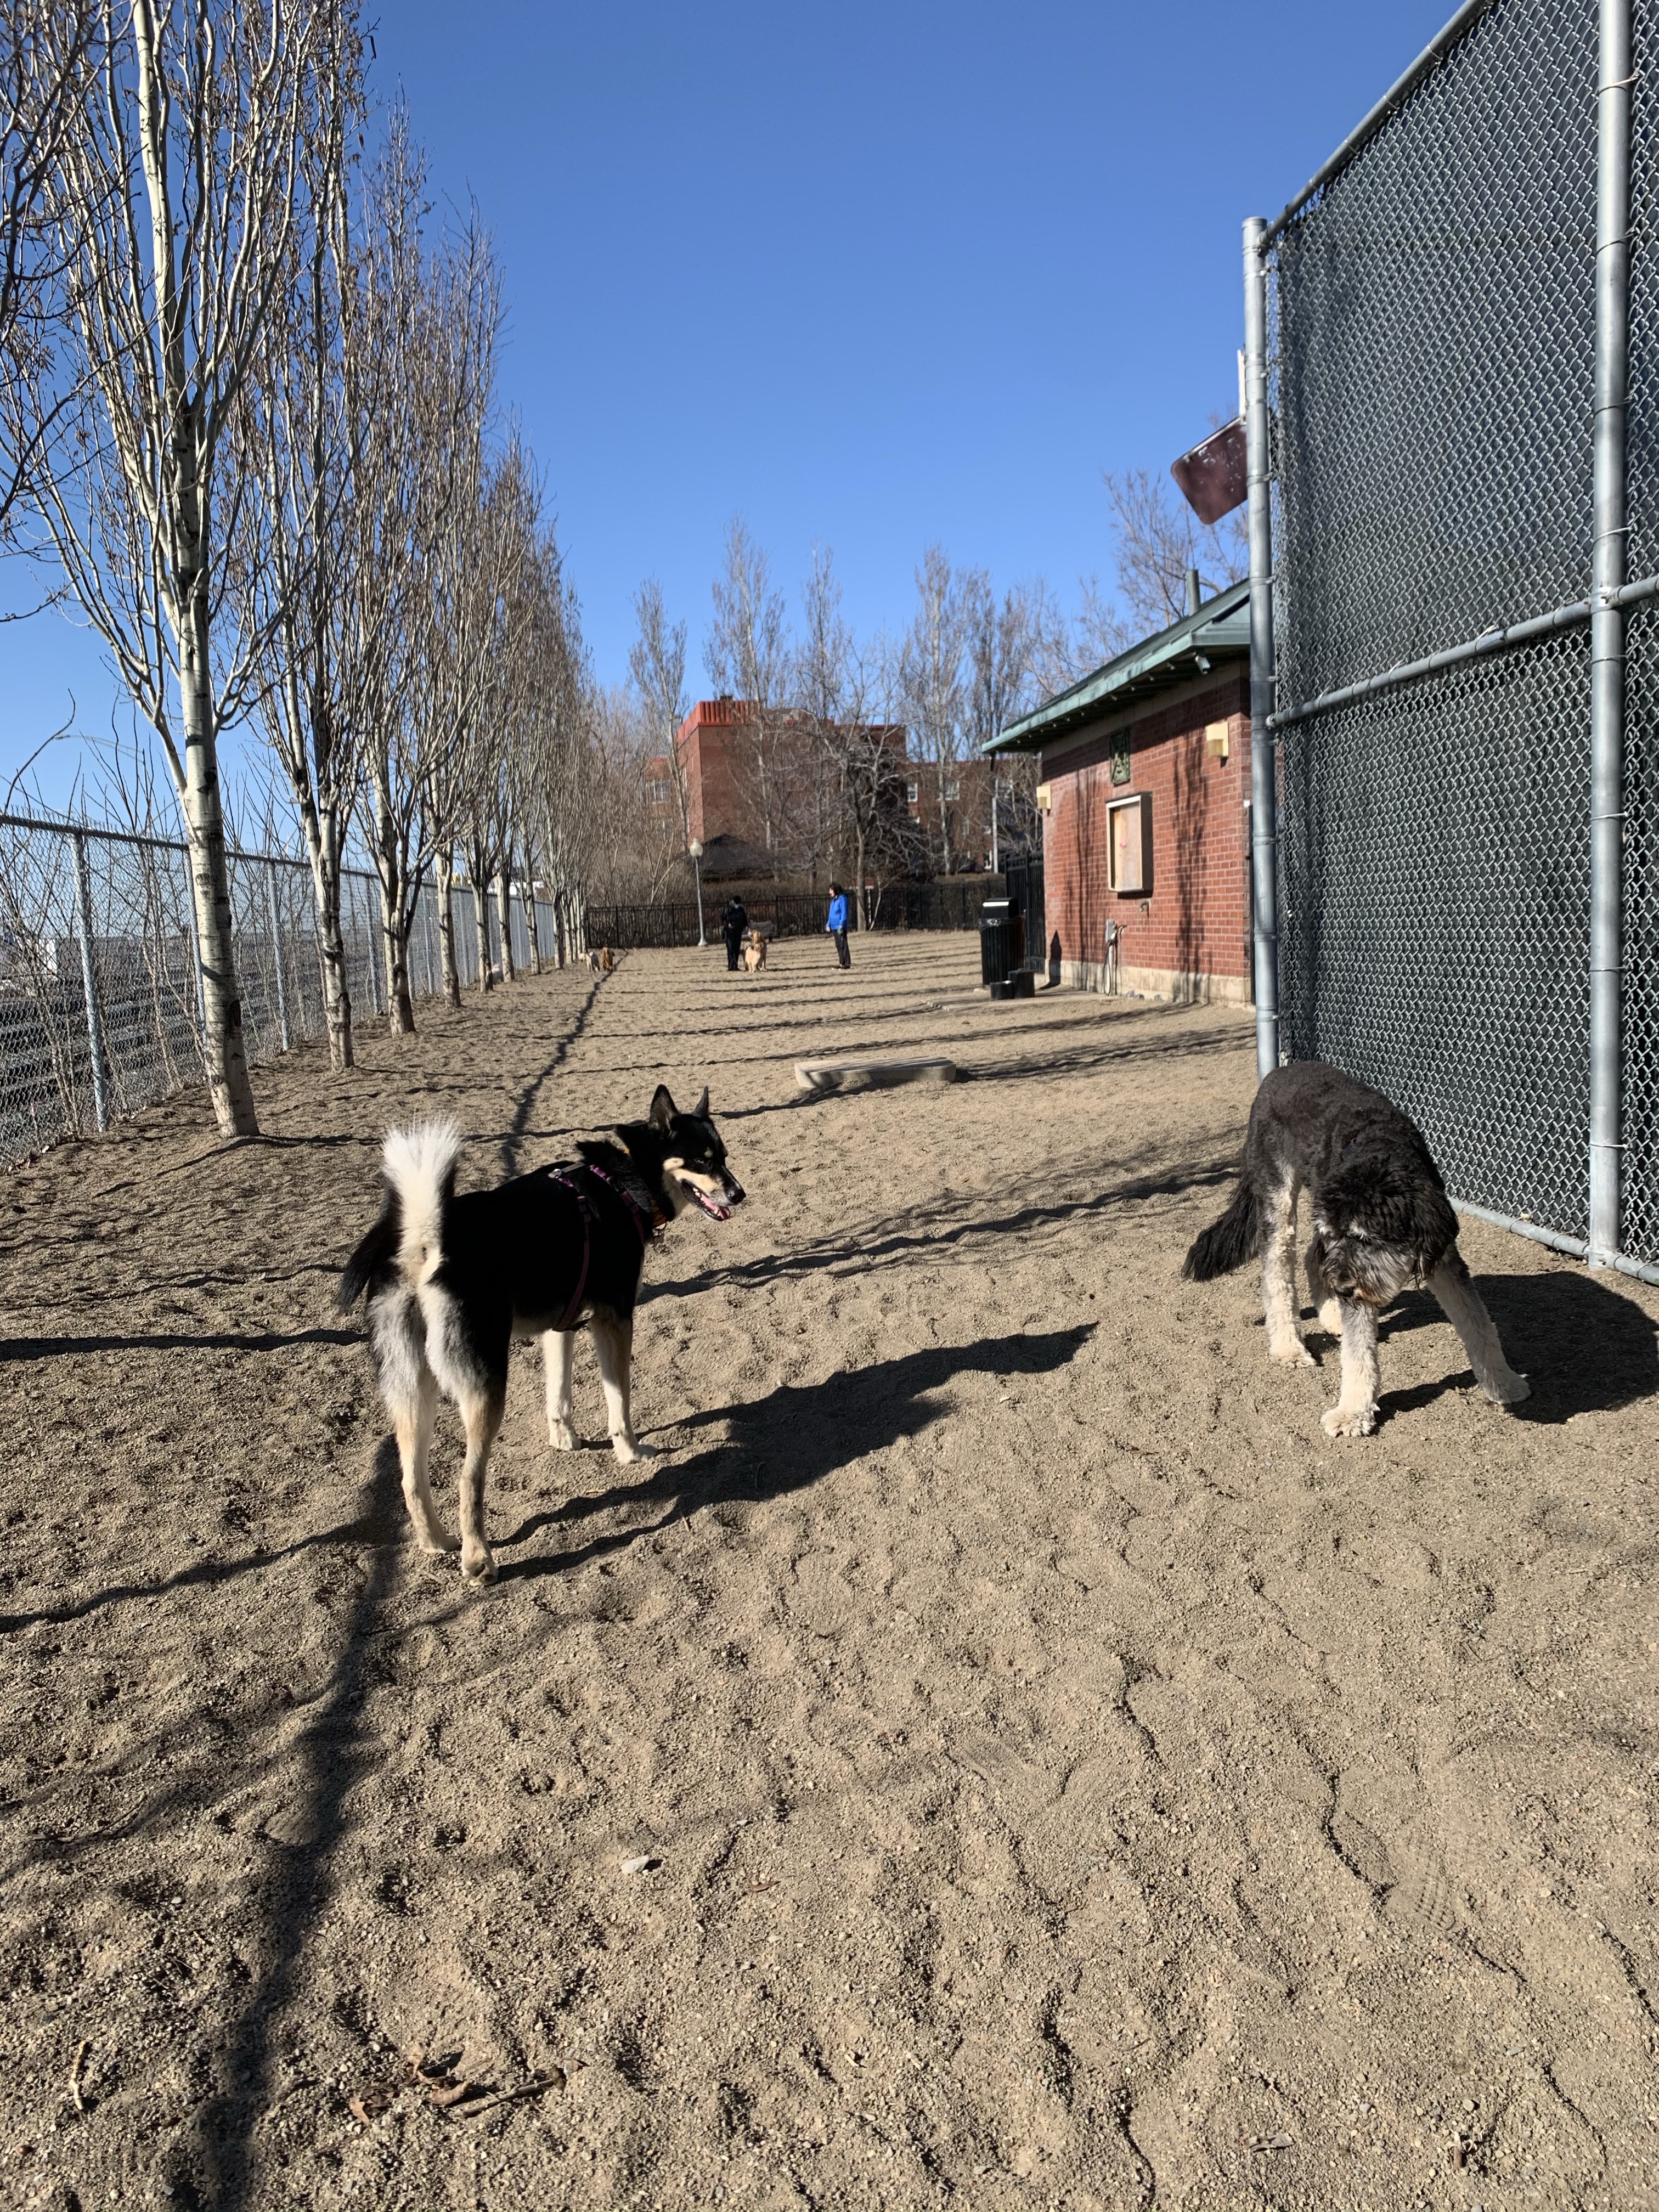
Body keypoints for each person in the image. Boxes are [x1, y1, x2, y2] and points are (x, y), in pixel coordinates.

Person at [826, 882, 850, 969]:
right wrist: (828, 924)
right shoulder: (834, 901)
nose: (830, 892)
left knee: (843, 944)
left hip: (840, 926)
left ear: (835, 890)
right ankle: (841, 963)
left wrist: (842, 924)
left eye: (831, 890)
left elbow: (844, 912)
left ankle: (847, 963)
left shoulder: (843, 899)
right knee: (838, 945)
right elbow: (831, 913)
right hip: (834, 926)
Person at [721, 893, 748, 972]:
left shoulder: (741, 909)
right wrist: (728, 925)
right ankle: (731, 966)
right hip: (729, 933)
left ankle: (735, 966)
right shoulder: (728, 909)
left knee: (737, 949)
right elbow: (723, 919)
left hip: (738, 932)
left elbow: (744, 919)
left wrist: (746, 926)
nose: (738, 905)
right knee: (730, 949)